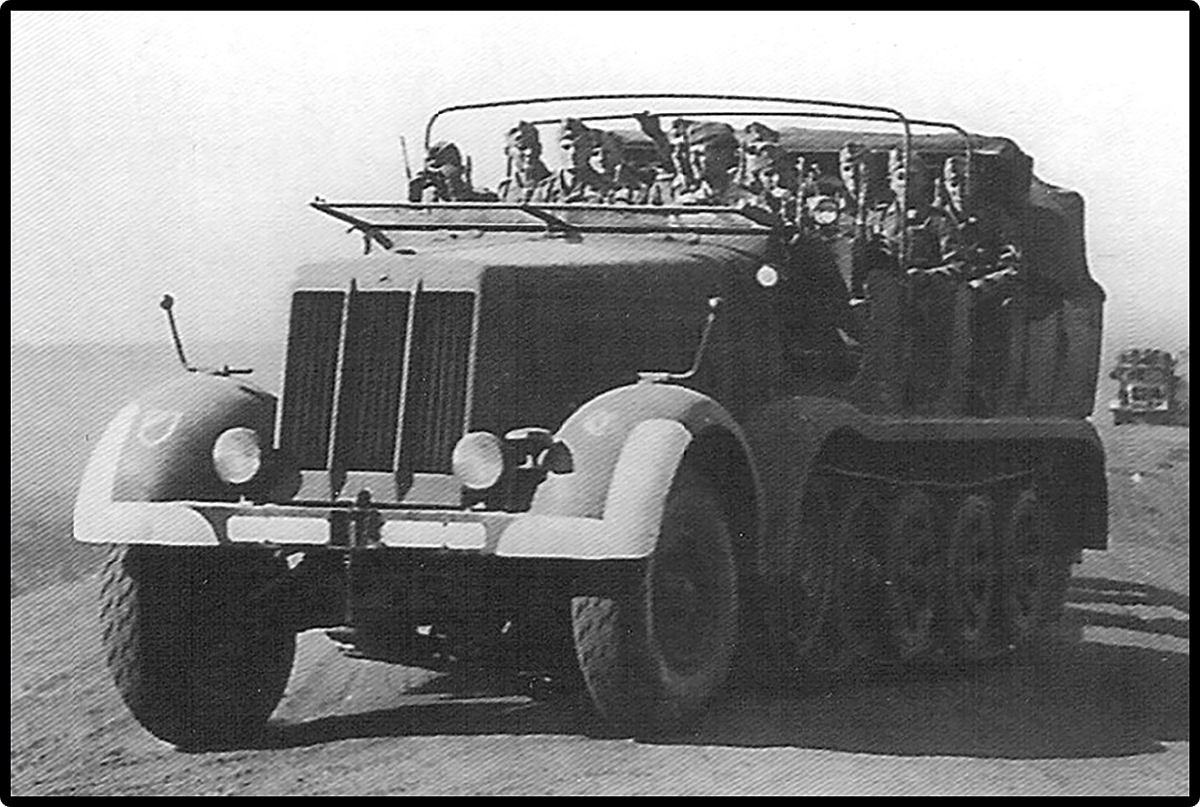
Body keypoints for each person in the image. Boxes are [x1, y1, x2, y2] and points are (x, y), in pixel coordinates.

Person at [531, 118, 617, 203]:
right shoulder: (544, 189)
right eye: (566, 147)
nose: (572, 153)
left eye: (579, 147)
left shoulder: (605, 188)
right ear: (558, 150)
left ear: (589, 150)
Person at [677, 121, 759, 208]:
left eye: (701, 154)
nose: (693, 161)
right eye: (692, 155)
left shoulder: (749, 203)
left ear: (724, 156)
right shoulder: (683, 205)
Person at [408, 141, 497, 203]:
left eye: (452, 168)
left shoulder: (485, 198)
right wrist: (416, 188)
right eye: (439, 172)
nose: (447, 174)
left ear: (462, 170)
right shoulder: (431, 200)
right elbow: (413, 214)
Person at [496, 121, 551, 204]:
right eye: (522, 148)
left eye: (533, 146)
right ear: (508, 152)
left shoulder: (556, 184)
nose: (529, 152)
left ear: (540, 148)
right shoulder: (505, 189)